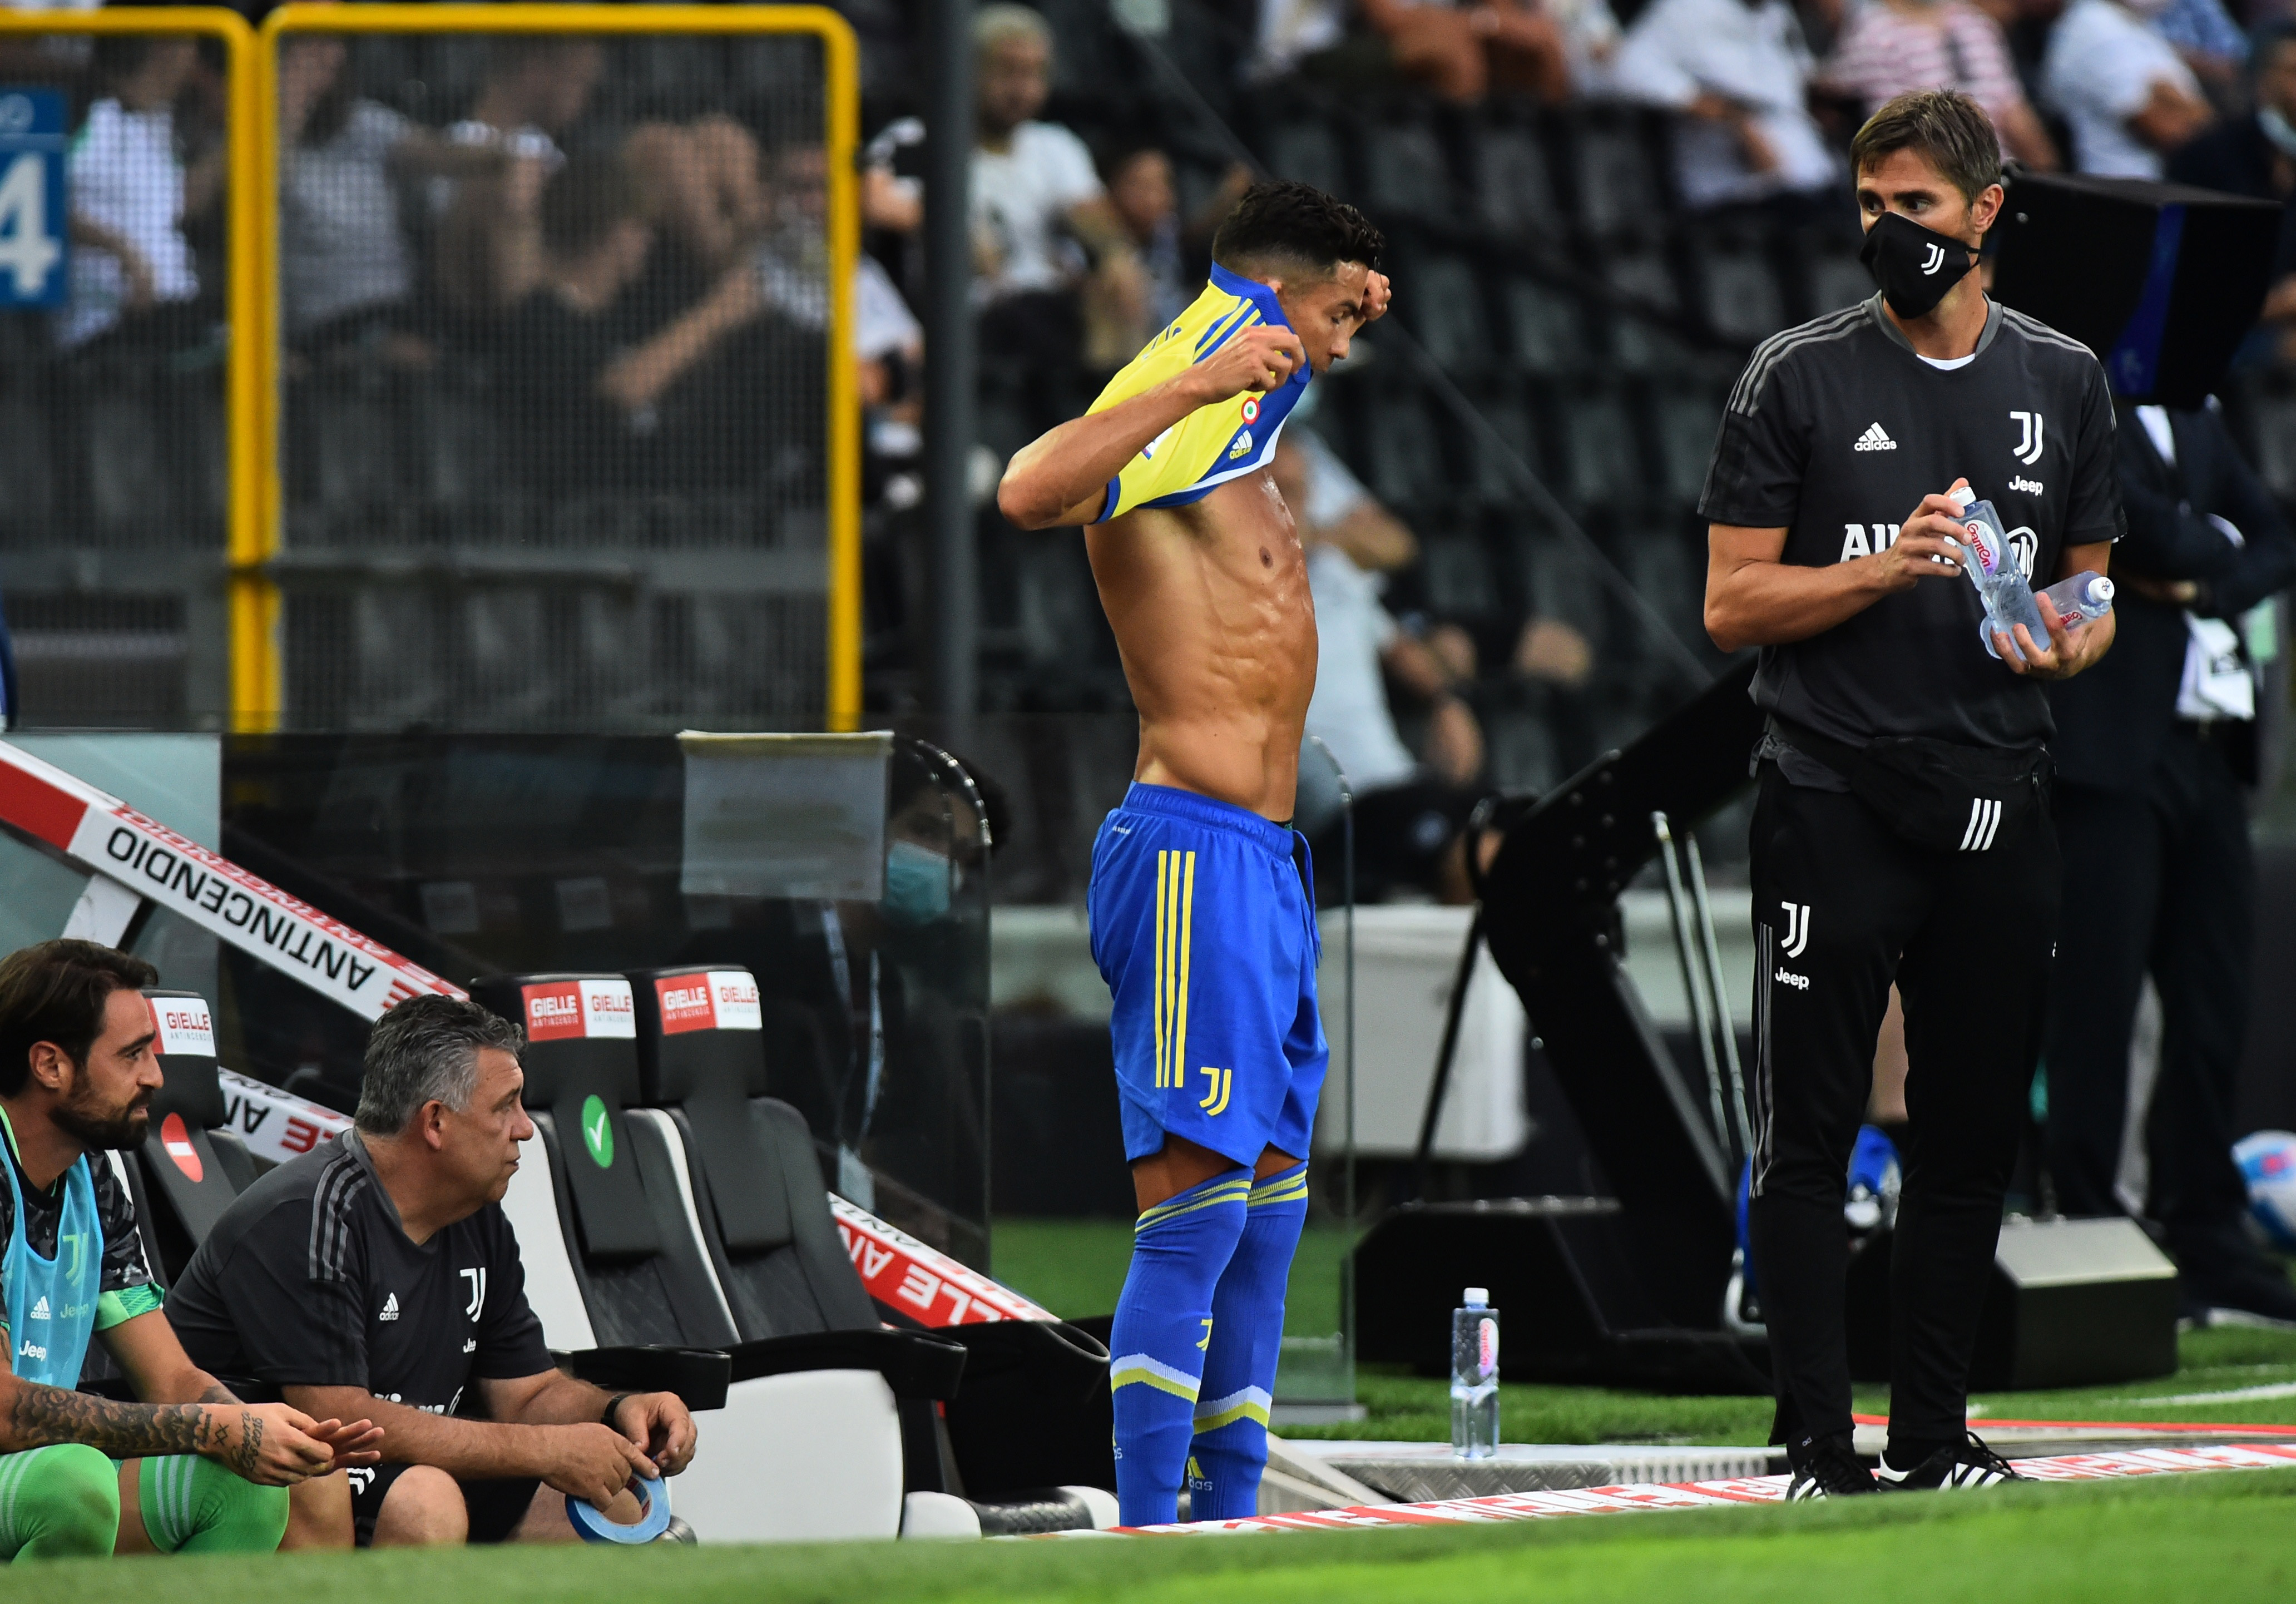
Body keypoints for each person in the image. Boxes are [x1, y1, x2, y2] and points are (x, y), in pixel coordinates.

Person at [1699, 90, 2121, 1498]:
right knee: (1809, 1134)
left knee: (1965, 1140)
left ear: (1985, 213)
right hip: (1829, 795)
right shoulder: (1794, 375)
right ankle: (1818, 1445)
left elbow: (2088, 585)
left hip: (2000, 802)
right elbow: (1728, 604)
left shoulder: (2061, 378)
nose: (1889, 234)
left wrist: (2075, 632)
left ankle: (1932, 1439)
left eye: (1917, 211)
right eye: (1871, 208)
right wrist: (1886, 567)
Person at [997, 181, 1389, 1526]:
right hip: (1188, 856)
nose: (1343, 347)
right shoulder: (1179, 395)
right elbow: (1027, 489)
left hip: (1264, 864)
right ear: (1270, 297)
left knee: (1269, 1212)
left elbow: (1282, 334)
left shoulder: (1242, 407)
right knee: (1198, 1215)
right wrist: (1213, 362)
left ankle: (1226, 1529)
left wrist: (1321, 308)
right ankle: (1148, 1536)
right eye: (1337, 315)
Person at [166, 994, 697, 1548]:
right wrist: (545, 1450)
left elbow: (528, 1394)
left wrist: (620, 1408)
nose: (526, 1129)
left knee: (620, 1510)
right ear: (436, 1122)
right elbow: (339, 1416)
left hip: (398, 1465)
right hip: (263, 1477)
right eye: (505, 1107)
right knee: (427, 1503)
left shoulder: (478, 1217)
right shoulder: (310, 1214)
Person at [0, 940, 380, 1560]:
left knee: (247, 1485)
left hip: (33, 1475)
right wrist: (213, 1427)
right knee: (73, 1482)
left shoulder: (92, 1177)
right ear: (50, 1065)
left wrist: (258, 1431)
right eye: (133, 1054)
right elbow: (4, 1409)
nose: (156, 1075)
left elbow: (171, 1376)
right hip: (40, 1474)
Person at [2043, 402, 2296, 1323]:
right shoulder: (2080, 388)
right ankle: (2088, 1222)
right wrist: (2208, 545)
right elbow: (2133, 522)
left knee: (2211, 1003)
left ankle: (2203, 1228)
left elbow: (2271, 539)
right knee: (2097, 1006)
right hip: (2108, 754)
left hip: (2206, 750)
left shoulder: (2198, 411)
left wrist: (2197, 579)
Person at [1272, 430, 1491, 904]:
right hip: (1340, 806)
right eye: (1281, 491)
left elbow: (1402, 650)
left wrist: (1448, 702)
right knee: (1482, 860)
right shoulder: (1242, 584)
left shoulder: (1339, 571)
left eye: (1302, 491)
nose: (1297, 505)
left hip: (1399, 783)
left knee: (1523, 831)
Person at [492, 156, 766, 491]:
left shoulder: (622, 314)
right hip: (595, 499)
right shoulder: (540, 317)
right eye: (640, 227)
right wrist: (714, 315)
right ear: (612, 228)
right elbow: (620, 392)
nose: (648, 242)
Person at [971, 5, 1147, 429]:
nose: (1023, 88)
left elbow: (1095, 221)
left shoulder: (1053, 145)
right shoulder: (918, 138)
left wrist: (1116, 257)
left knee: (1119, 279)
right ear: (969, 70)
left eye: (1035, 74)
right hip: (974, 311)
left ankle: (1115, 422)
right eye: (1008, 71)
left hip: (1047, 307)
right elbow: (889, 208)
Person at [61, 36, 222, 352]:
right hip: (104, 325)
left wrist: (253, 123)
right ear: (166, 47)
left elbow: (182, 204)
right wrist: (121, 250)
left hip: (175, 312)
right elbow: (37, 206)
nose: (195, 59)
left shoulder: (160, 126)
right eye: (191, 45)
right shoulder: (85, 113)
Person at [1611, 0, 1838, 214]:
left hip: (1808, 171)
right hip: (1734, 193)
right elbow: (1627, 69)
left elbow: (1799, 75)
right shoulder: (1685, 9)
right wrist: (1726, 114)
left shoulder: (1775, 13)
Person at [2167, 24, 2296, 361]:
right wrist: (2268, 306)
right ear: (2263, 80)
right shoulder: (2210, 156)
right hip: (2219, 335)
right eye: (2293, 73)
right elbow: (2184, 281)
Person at [1819, 0, 2059, 169]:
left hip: (2003, 177)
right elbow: (1903, 138)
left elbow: (2015, 113)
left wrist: (2048, 181)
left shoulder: (1973, 22)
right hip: (1935, 183)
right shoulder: (1873, 35)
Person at [2040, 0, 2213, 178]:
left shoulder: (2132, 21)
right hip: (2120, 194)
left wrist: (2168, 96)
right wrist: (2172, 99)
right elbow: (2165, 128)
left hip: (2164, 188)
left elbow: (2200, 114)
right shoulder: (2095, 24)